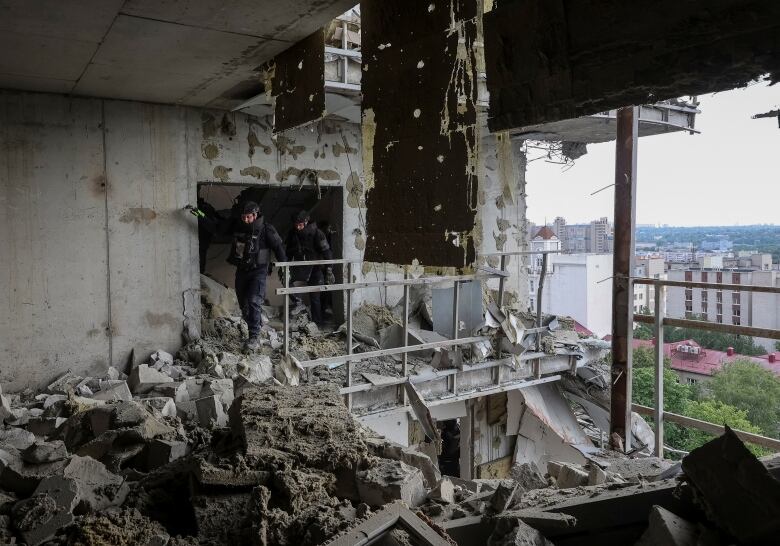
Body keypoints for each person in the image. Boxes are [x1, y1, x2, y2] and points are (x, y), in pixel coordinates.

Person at [227, 201, 286, 351]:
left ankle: (254, 336)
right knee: (244, 306)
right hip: (242, 271)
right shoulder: (239, 227)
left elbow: (278, 247)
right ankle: (257, 321)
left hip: (258, 272)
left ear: (255, 214)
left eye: (248, 217)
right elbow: (219, 229)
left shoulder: (266, 229)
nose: (245, 220)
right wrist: (200, 216)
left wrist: (285, 267)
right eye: (243, 217)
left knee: (254, 301)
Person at [285, 210, 335, 325]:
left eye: (300, 225)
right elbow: (288, 253)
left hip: (315, 268)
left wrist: (329, 270)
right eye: (296, 225)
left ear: (306, 222)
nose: (298, 227)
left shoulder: (318, 233)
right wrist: (285, 267)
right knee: (286, 280)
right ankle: (298, 303)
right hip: (299, 267)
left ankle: (317, 324)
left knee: (315, 297)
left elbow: (327, 252)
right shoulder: (292, 233)